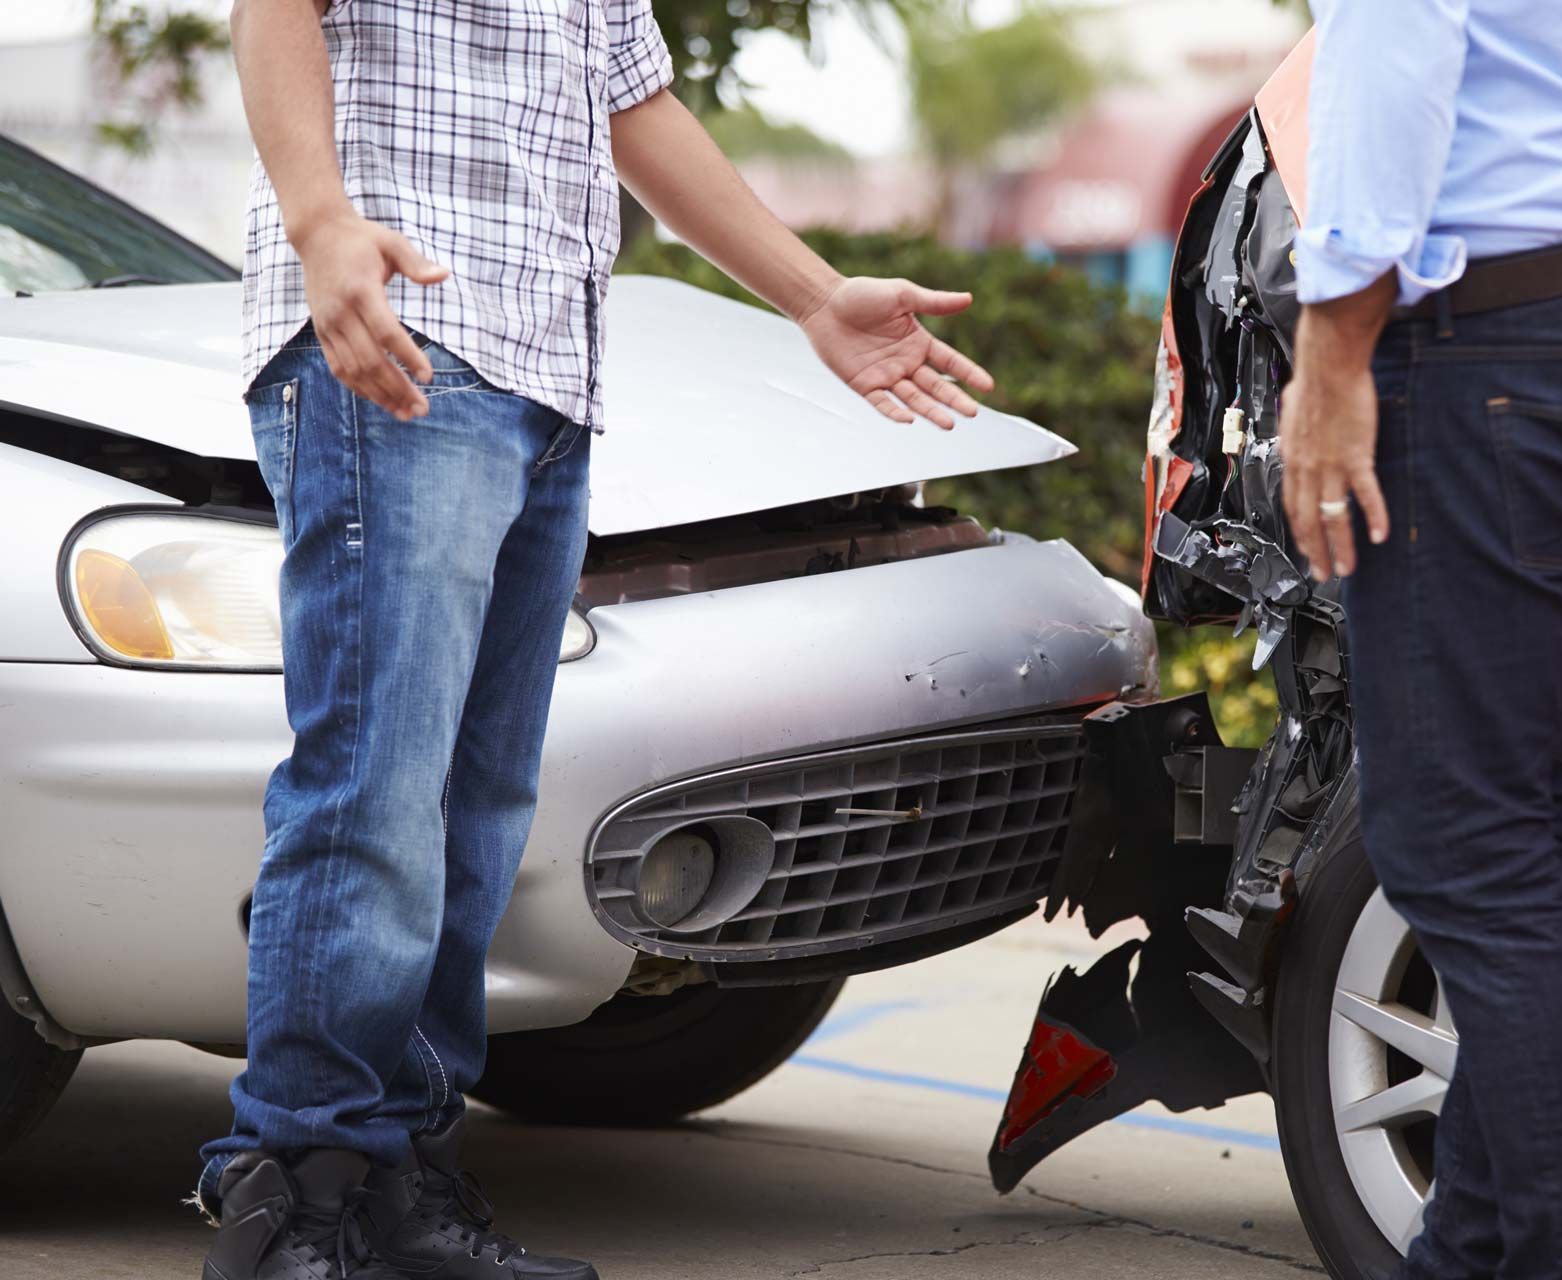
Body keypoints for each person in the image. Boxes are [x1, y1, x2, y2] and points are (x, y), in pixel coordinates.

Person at [199, 3, 994, 1278]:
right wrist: (319, 220)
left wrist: (814, 297)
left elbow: (632, 106)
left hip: (547, 374)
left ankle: (400, 1182)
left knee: (475, 813)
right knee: (374, 796)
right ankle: (298, 1194)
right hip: (401, 336)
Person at [1276, 2, 1562, 1277]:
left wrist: (1331, 345)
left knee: (1465, 847)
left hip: (1493, 352)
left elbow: (1394, 52)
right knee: (1522, 833)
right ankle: (1464, 1254)